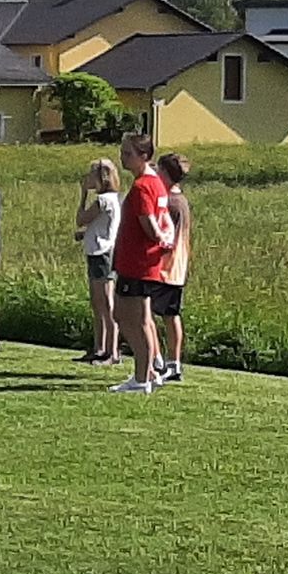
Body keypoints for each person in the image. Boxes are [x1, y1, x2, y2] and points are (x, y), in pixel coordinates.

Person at [110, 133, 173, 395]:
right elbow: (164, 217)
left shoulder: (143, 186)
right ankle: (148, 373)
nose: (122, 158)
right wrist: (165, 238)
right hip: (143, 261)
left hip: (137, 262)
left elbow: (149, 221)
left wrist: (159, 238)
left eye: (128, 154)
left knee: (130, 319)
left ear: (144, 156)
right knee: (138, 318)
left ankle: (141, 376)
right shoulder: (156, 183)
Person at [74, 157, 122, 364]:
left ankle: (111, 351)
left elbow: (81, 219)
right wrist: (85, 234)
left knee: (105, 303)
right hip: (98, 251)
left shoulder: (103, 201)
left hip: (102, 254)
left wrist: (83, 194)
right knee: (98, 303)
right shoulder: (113, 199)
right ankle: (100, 347)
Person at [153, 153, 193, 385]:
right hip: (177, 267)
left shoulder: (170, 203)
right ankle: (172, 362)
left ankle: (162, 360)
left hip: (166, 267)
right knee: (170, 315)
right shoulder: (181, 200)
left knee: (150, 313)